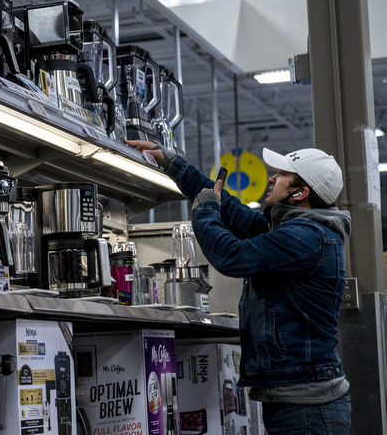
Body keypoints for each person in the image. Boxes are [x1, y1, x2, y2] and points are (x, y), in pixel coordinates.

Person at [127, 140, 352, 434]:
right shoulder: (294, 230)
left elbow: (231, 256)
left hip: (307, 404)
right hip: (298, 397)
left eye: (282, 175)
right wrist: (173, 164)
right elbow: (232, 210)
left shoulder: (307, 238)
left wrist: (205, 211)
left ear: (301, 193)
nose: (272, 178)